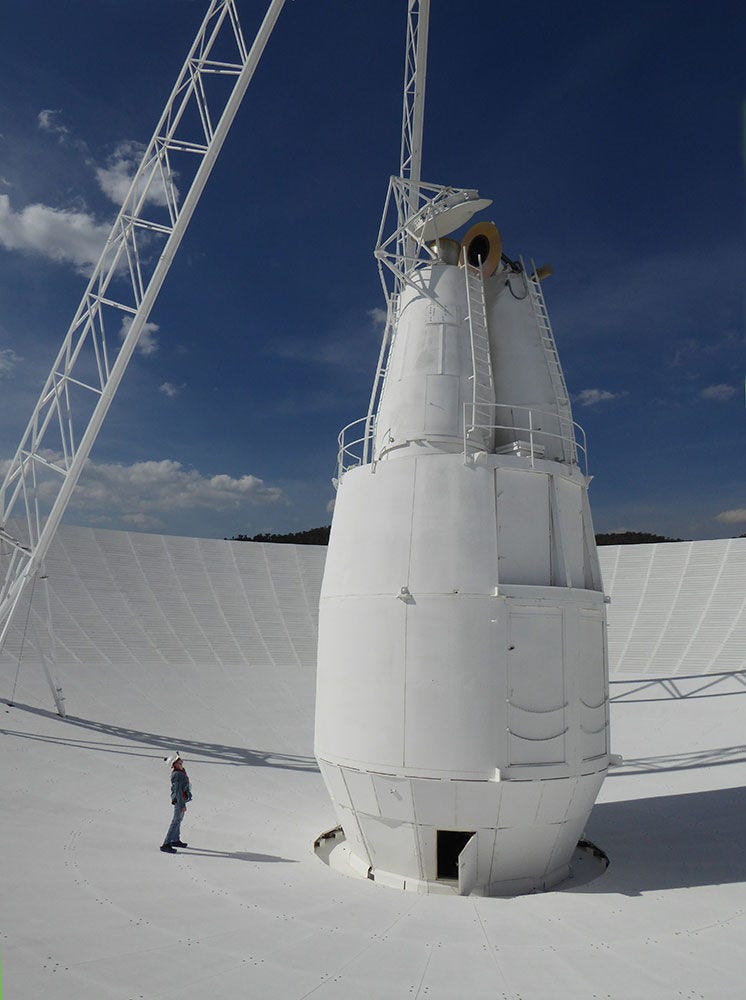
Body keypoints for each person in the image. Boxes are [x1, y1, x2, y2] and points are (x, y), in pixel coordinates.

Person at [160, 752, 192, 853]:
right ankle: (166, 844)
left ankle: (175, 840)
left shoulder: (181, 771)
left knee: (179, 820)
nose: (181, 762)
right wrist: (182, 805)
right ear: (174, 764)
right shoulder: (177, 774)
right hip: (179, 801)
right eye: (179, 761)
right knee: (175, 821)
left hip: (182, 799)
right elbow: (178, 791)